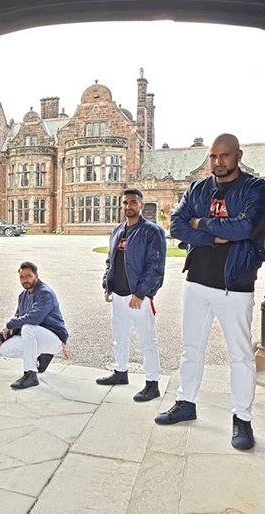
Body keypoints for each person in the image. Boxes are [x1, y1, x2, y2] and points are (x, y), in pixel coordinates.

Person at [154, 134, 265, 451]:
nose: (218, 162)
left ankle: (242, 419)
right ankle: (185, 402)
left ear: (238, 156)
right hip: (198, 282)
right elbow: (176, 226)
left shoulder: (256, 189)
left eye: (225, 156)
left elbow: (245, 229)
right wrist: (214, 236)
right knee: (191, 348)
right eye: (214, 156)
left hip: (235, 284)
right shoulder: (198, 188)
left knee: (241, 356)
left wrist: (200, 222)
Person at [97, 188, 166, 402]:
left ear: (141, 205)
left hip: (138, 297)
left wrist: (141, 293)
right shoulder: (117, 230)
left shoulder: (152, 231)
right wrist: (107, 285)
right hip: (118, 295)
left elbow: (155, 266)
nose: (129, 206)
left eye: (133, 202)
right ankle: (120, 372)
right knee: (120, 337)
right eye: (125, 203)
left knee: (147, 340)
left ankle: (152, 383)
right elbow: (111, 261)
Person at [0, 261, 69, 389]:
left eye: (28, 276)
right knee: (5, 349)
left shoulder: (45, 293)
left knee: (28, 328)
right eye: (22, 277)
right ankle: (42, 356)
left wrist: (10, 324)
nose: (25, 280)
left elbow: (34, 318)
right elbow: (18, 317)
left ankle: (31, 375)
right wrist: (2, 337)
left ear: (36, 276)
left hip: (53, 337)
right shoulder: (22, 295)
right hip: (37, 337)